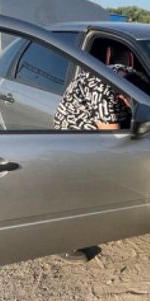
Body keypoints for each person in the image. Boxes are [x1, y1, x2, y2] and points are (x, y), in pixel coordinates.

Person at [52, 63, 143, 262]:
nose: (127, 105)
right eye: (126, 101)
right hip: (76, 131)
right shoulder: (102, 91)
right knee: (81, 187)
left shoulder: (131, 75)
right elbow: (112, 139)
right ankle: (66, 243)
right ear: (122, 95)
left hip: (102, 120)